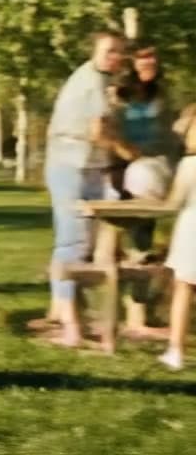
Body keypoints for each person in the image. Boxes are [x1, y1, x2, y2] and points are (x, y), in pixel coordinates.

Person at [42, 31, 134, 349]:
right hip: (71, 166)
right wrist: (130, 154)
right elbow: (98, 133)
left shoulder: (99, 80)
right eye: (109, 50)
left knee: (89, 244)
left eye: (119, 52)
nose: (115, 57)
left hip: (88, 167)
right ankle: (70, 328)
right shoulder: (92, 82)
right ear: (95, 51)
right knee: (72, 244)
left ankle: (70, 316)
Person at [110, 41, 177, 339]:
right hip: (121, 169)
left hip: (151, 170)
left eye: (153, 58)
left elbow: (167, 137)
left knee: (141, 243)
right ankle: (117, 312)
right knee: (114, 242)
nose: (150, 63)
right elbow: (110, 131)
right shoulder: (117, 96)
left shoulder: (161, 95)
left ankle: (137, 315)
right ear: (131, 64)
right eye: (143, 58)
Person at [159, 105, 196, 371]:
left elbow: (174, 202)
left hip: (192, 232)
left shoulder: (189, 165)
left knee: (183, 289)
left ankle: (175, 350)